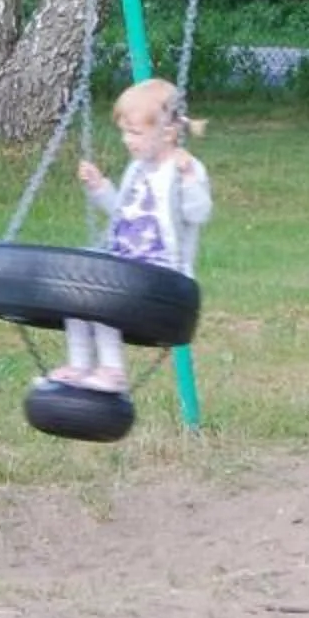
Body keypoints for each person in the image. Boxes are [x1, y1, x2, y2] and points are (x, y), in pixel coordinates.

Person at [66, 77, 213, 391]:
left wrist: (189, 180)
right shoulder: (137, 168)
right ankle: (78, 366)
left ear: (168, 133)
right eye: (124, 131)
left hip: (162, 273)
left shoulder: (185, 168)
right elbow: (123, 214)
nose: (126, 140)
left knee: (103, 291)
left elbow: (198, 214)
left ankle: (112, 371)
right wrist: (100, 187)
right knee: (76, 277)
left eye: (134, 132)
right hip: (126, 262)